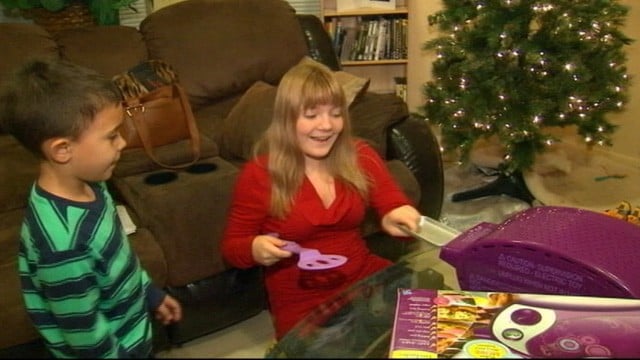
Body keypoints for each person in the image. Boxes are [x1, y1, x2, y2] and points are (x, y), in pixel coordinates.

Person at [220, 59, 421, 340]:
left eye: (336, 114)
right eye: (311, 115)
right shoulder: (259, 175)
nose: (327, 126)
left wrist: (397, 213)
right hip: (300, 299)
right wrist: (253, 248)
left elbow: (392, 201)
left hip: (363, 276)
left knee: (426, 327)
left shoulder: (360, 155)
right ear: (287, 119)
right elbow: (232, 247)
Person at [0, 59, 182, 358]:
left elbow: (118, 257)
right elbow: (85, 337)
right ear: (62, 150)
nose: (122, 142)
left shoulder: (92, 186)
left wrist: (148, 292)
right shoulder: (62, 245)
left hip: (132, 336)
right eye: (111, 136)